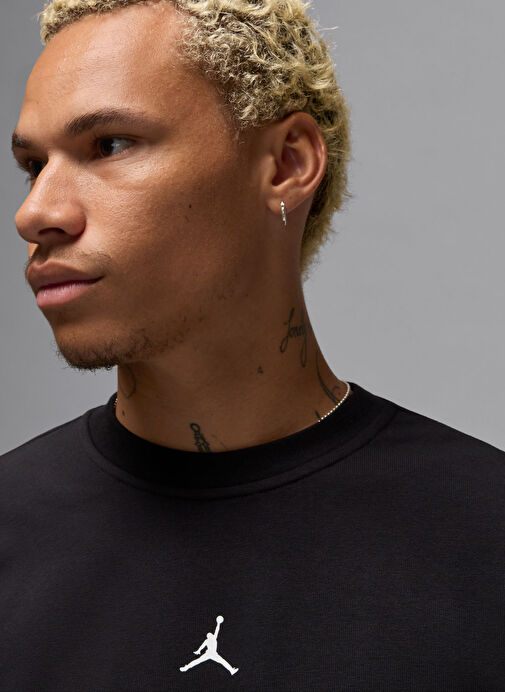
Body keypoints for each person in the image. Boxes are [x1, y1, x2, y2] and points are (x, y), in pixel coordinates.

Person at [2, 0, 504, 689]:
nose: (35, 212)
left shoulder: (483, 536)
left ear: (286, 164)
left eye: (110, 145)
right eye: (33, 164)